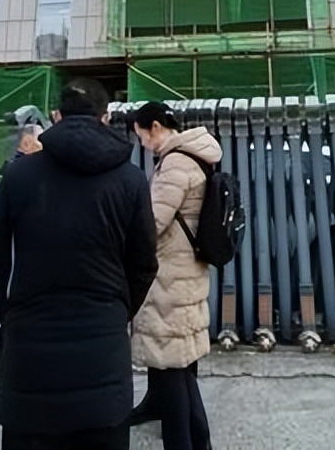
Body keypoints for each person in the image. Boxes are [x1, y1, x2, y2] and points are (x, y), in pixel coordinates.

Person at [0, 78, 158, 450]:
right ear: (106, 117)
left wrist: (8, 312)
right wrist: (117, 310)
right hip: (102, 353)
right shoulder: (130, 179)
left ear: (56, 116)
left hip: (30, 353)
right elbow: (144, 262)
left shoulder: (19, 174)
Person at [128, 102, 220, 450]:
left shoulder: (176, 163)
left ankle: (183, 443)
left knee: (171, 371)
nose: (142, 144)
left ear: (155, 127)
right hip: (187, 273)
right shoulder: (196, 156)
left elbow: (151, 224)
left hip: (169, 280)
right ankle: (199, 441)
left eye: (141, 136)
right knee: (180, 369)